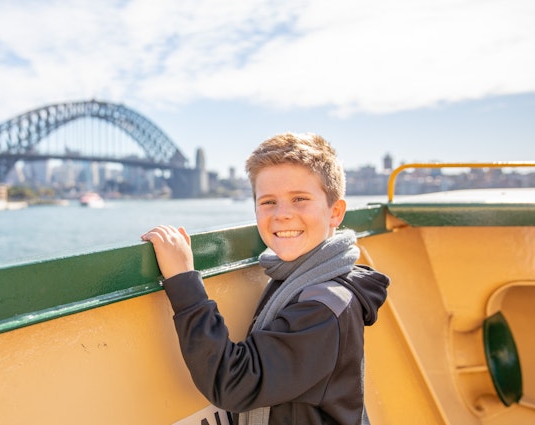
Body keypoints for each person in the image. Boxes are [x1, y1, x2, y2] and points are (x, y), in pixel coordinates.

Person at [141, 132, 389, 425]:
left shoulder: (326, 309)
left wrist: (183, 278)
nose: (282, 215)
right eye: (268, 202)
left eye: (300, 199)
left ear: (335, 212)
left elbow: (233, 382)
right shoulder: (302, 278)